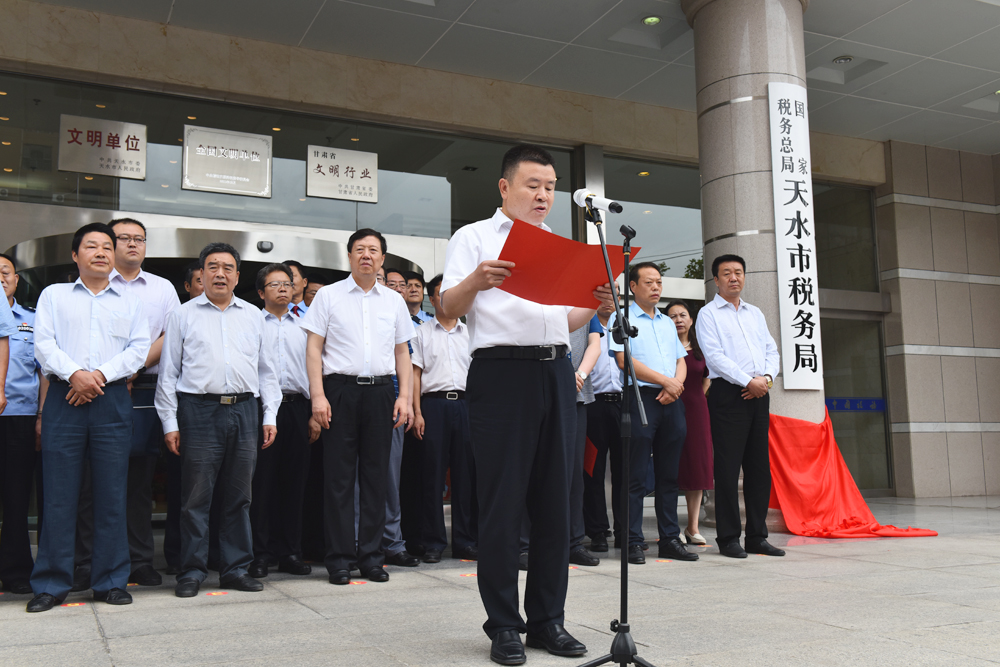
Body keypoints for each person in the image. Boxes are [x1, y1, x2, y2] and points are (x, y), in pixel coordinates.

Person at [440, 144, 611, 665]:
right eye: (533, 185)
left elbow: (565, 323)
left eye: (551, 187)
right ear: (505, 187)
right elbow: (446, 305)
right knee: (503, 504)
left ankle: (547, 621)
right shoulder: (472, 238)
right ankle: (504, 626)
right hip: (500, 374)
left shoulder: (559, 243)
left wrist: (597, 303)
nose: (543, 195)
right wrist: (478, 279)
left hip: (555, 371)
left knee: (556, 505)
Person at [28, 222, 151, 613]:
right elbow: (43, 343)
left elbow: (138, 348)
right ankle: (51, 583)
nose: (101, 252)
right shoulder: (54, 295)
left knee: (112, 493)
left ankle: (111, 581)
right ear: (75, 255)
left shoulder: (130, 301)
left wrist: (97, 376)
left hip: (111, 398)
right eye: (92, 246)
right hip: (65, 397)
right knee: (59, 494)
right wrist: (76, 375)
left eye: (106, 247)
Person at [156, 242, 281, 597]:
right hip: (198, 410)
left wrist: (269, 415)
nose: (220, 273)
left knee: (239, 496)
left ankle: (235, 568)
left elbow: (267, 371)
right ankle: (191, 571)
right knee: (196, 497)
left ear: (237, 276)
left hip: (245, 409)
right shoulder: (183, 315)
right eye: (212, 267)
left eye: (228, 267)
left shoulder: (253, 315)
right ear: (201, 274)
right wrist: (170, 422)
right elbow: (168, 374)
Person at [302, 228, 414, 585]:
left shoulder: (393, 301)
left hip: (381, 393)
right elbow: (314, 349)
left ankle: (371, 557)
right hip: (340, 392)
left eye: (373, 250)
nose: (366, 255)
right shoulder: (329, 297)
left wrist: (405, 397)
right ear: (349, 256)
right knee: (338, 480)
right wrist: (318, 396)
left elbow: (402, 353)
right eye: (359, 249)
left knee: (376, 478)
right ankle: (338, 558)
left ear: (382, 259)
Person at [106, 218, 181, 587]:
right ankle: (91, 560)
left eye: (140, 239)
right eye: (125, 238)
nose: (133, 245)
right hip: (97, 389)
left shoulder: (162, 288)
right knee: (97, 480)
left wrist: (133, 367)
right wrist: (111, 372)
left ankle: (139, 560)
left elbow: (172, 335)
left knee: (138, 481)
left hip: (144, 389)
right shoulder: (95, 284)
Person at [695, 254, 784, 559]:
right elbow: (715, 356)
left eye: (738, 272)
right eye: (727, 273)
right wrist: (747, 380)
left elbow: (772, 350)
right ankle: (729, 537)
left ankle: (757, 536)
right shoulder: (708, 315)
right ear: (716, 280)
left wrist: (767, 379)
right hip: (728, 394)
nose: (734, 278)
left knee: (759, 468)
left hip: (759, 393)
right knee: (728, 469)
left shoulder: (755, 313)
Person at [609, 262, 698, 565]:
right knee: (635, 476)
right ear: (633, 287)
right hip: (640, 396)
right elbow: (624, 360)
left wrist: (676, 385)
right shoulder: (621, 318)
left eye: (659, 282)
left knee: (669, 475)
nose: (657, 287)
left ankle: (670, 538)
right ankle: (632, 540)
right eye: (649, 282)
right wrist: (665, 381)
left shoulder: (665, 321)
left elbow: (681, 359)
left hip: (672, 398)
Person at [248, 264, 320, 579]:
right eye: (274, 284)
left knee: (295, 483)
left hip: (297, 407)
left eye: (286, 283)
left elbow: (316, 369)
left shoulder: (305, 326)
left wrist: (314, 414)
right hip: (261, 409)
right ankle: (260, 553)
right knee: (261, 484)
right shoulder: (250, 323)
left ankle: (291, 551)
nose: (282, 288)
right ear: (261, 292)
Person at [410, 274, 477, 563]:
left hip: (466, 407)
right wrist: (417, 411)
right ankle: (433, 542)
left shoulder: (472, 332)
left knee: (467, 476)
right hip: (433, 407)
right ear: (433, 299)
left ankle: (466, 541)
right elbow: (415, 375)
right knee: (432, 477)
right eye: (439, 294)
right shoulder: (421, 333)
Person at [367, 266, 420, 568]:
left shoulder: (393, 310)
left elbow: (406, 362)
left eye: (381, 280)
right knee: (358, 480)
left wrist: (407, 402)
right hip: (356, 402)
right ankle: (360, 542)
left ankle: (392, 542)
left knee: (389, 479)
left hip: (392, 402)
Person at [0, 253, 41, 595]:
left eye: (5, 271)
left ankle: (15, 571)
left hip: (20, 418)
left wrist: (42, 416)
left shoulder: (32, 320)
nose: (0, 277)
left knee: (16, 497)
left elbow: (43, 374)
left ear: (16, 279)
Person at [666, 300, 713, 546]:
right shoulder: (663, 346)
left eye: (682, 315)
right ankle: (669, 527)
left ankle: (692, 527)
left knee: (696, 466)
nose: (678, 320)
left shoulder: (700, 348)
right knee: (672, 467)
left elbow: (708, 377)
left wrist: (699, 396)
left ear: (691, 320)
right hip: (669, 407)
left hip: (697, 411)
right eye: (672, 316)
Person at [583, 301, 622, 552]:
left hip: (621, 403)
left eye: (615, 292)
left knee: (624, 472)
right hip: (593, 405)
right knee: (593, 472)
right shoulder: (584, 326)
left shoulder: (625, 327)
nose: (610, 298)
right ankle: (597, 531)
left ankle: (625, 531)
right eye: (605, 293)